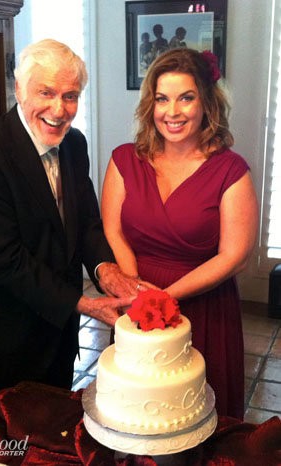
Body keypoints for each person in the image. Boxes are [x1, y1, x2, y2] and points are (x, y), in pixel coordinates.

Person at [0, 38, 138, 399]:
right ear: (19, 90)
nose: (59, 109)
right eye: (47, 92)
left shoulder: (74, 144)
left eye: (70, 95)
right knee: (10, 448)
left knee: (53, 439)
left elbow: (85, 222)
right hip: (6, 338)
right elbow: (2, 259)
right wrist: (82, 303)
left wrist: (106, 270)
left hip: (58, 336)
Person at [101, 48, 258, 419]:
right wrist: (136, 290)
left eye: (186, 98)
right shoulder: (124, 159)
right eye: (162, 99)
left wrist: (165, 299)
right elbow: (112, 227)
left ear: (206, 102)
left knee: (196, 418)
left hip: (204, 306)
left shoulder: (230, 170)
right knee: (136, 415)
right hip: (137, 301)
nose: (172, 112)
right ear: (150, 105)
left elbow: (234, 256)